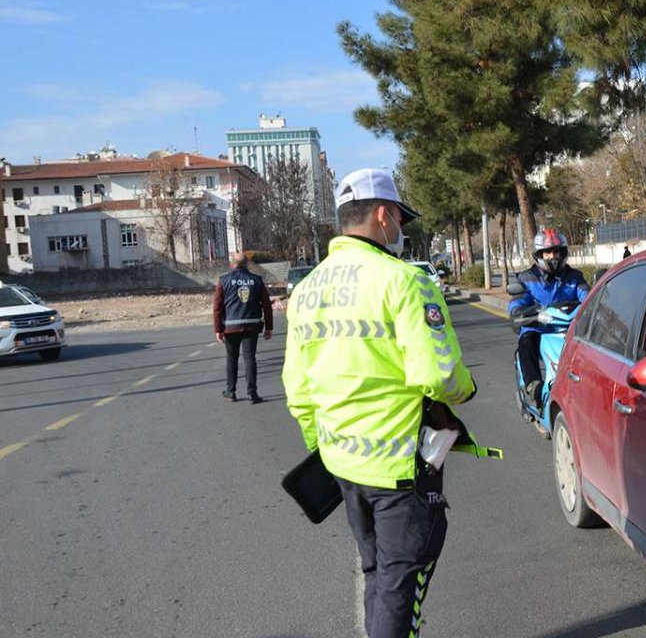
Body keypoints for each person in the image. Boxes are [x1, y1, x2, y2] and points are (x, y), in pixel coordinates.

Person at [282, 167, 478, 638]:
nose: (400, 232)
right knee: (400, 582)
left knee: (377, 572)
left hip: (342, 464)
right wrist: (465, 392)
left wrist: (324, 444)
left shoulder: (306, 290)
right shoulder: (403, 281)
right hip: (399, 467)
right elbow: (441, 374)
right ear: (385, 216)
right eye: (400, 223)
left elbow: (297, 387)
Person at [508, 228, 590, 408]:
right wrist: (518, 312)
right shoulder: (526, 278)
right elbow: (517, 301)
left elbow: (587, 295)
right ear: (539, 255)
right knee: (526, 341)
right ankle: (532, 386)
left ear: (563, 253)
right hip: (538, 328)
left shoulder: (575, 277)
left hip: (569, 329)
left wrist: (596, 303)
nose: (553, 256)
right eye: (547, 252)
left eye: (556, 251)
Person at [213, 251, 272, 403]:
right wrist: (269, 327)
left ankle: (231, 391)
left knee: (232, 359)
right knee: (250, 358)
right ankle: (253, 393)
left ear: (232, 264)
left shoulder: (224, 280)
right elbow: (266, 305)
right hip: (252, 326)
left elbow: (217, 307)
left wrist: (218, 329)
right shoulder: (256, 280)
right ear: (247, 264)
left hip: (230, 328)